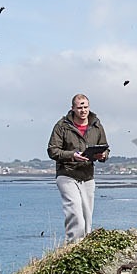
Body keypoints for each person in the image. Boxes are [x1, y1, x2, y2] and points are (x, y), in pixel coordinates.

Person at [47, 94, 109, 243]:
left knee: (87, 218)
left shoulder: (97, 125)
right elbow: (52, 150)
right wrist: (72, 155)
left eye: (85, 107)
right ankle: (72, 247)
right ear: (73, 108)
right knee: (75, 213)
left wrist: (103, 156)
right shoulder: (62, 126)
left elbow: (106, 148)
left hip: (87, 175)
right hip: (67, 174)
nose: (83, 110)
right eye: (80, 107)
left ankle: (84, 247)